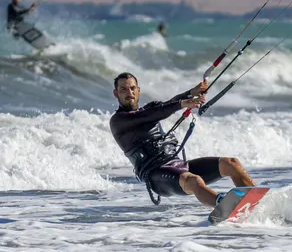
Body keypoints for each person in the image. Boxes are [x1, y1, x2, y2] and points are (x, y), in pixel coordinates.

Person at [109, 72, 256, 208]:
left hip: (177, 165)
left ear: (138, 90)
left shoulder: (149, 108)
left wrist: (192, 93)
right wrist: (182, 104)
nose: (130, 93)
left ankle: (255, 201)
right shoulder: (118, 121)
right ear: (116, 93)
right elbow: (151, 115)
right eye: (124, 89)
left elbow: (167, 104)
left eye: (133, 88)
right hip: (155, 174)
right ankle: (225, 207)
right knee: (194, 181)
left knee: (231, 163)